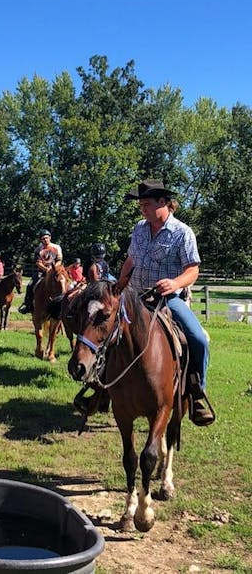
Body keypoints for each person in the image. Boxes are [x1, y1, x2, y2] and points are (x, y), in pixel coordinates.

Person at [117, 178, 215, 426]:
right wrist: (120, 284)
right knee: (103, 329)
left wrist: (174, 284)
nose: (143, 209)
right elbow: (131, 259)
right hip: (135, 297)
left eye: (147, 204)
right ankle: (98, 387)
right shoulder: (139, 228)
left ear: (164, 202)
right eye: (141, 205)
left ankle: (196, 393)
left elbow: (193, 270)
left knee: (199, 339)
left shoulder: (183, 232)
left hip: (166, 300)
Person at [19, 229, 63, 314]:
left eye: (46, 238)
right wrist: (46, 269)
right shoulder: (38, 249)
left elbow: (59, 260)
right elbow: (38, 263)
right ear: (41, 240)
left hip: (55, 271)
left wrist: (53, 269)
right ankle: (28, 304)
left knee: (64, 283)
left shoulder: (57, 247)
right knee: (30, 285)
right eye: (43, 238)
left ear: (50, 237)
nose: (45, 240)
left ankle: (65, 304)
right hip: (42, 272)